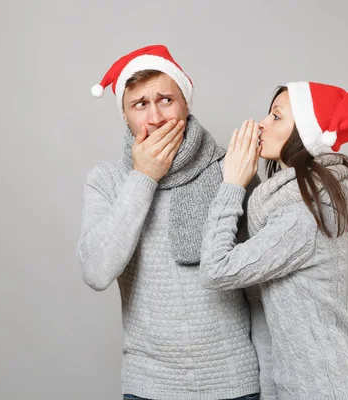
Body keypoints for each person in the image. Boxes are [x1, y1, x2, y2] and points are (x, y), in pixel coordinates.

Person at [77, 45, 262, 400]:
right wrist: (144, 177)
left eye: (166, 99)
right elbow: (96, 271)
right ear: (126, 116)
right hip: (149, 384)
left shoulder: (233, 170)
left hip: (235, 381)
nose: (156, 117)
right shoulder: (107, 180)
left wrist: (269, 385)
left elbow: (261, 292)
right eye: (140, 105)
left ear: (186, 104)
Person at [200, 82, 348, 399]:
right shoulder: (302, 202)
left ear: (304, 134)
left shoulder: (301, 216)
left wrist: (231, 184)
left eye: (276, 116)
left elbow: (216, 270)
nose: (262, 124)